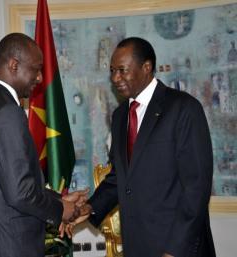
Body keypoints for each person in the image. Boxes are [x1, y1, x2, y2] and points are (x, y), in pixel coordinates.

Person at [71, 37, 216, 257]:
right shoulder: (120, 116)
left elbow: (196, 187)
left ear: (146, 67)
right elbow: (121, 177)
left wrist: (174, 249)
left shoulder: (183, 108)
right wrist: (89, 208)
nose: (115, 78)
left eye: (122, 70)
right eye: (112, 71)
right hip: (137, 244)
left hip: (177, 246)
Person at [0, 33, 87, 257]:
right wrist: (60, 209)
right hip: (3, 245)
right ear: (14, 65)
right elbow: (19, 193)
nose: (40, 77)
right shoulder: (7, 112)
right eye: (36, 69)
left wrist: (58, 199)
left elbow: (2, 181)